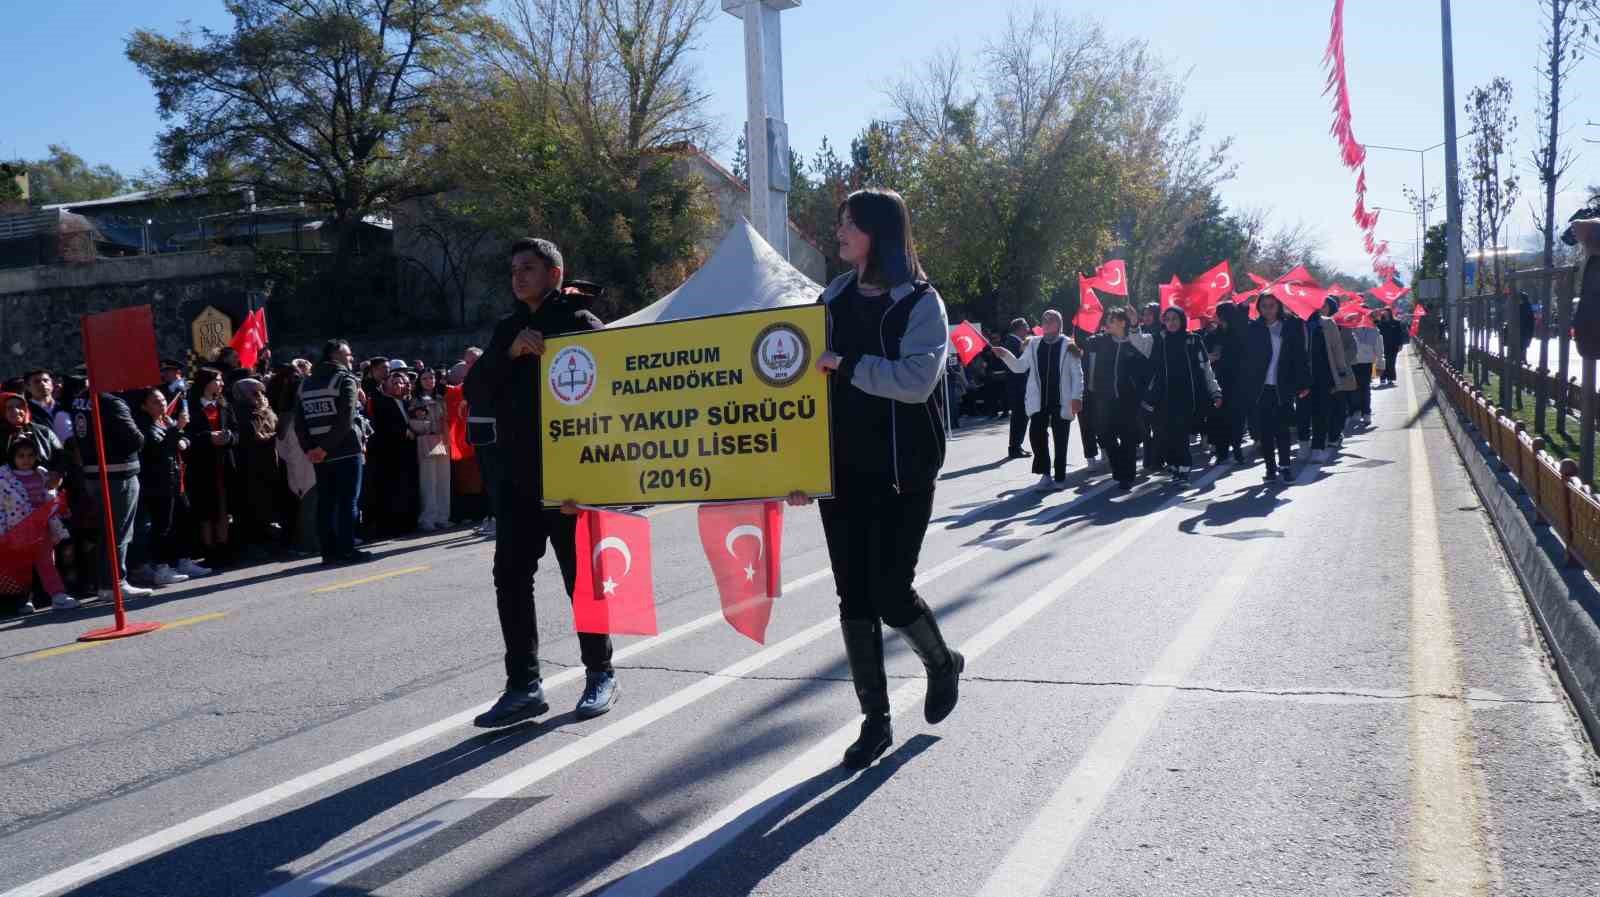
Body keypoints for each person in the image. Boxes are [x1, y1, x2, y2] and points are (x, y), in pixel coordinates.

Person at [790, 188, 964, 770]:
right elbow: (800, 388)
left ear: (879, 232)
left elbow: (917, 380)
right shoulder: (831, 298)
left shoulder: (920, 302)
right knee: (853, 599)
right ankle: (875, 721)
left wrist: (849, 365)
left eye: (849, 223)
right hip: (839, 473)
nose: (838, 231)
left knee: (891, 593)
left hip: (901, 473)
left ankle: (942, 663)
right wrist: (795, 466)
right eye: (840, 221)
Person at [466, 237, 618, 728]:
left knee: (581, 579)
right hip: (516, 477)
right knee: (510, 578)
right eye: (513, 269)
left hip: (570, 477)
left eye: (528, 268)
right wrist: (507, 354)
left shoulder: (580, 323)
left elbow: (614, 388)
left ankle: (600, 673)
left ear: (555, 273)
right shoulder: (507, 328)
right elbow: (475, 390)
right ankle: (523, 686)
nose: (518, 276)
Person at [71, 385, 154, 600]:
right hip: (117, 474)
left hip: (94, 473)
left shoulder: (80, 398)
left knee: (107, 532)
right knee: (118, 532)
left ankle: (106, 583)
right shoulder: (112, 402)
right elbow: (135, 439)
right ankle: (115, 582)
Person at [991, 309, 1085, 490]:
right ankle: (1045, 474)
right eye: (1044, 320)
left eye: (1051, 320)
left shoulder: (1068, 345)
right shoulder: (1033, 344)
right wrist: (1005, 355)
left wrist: (1076, 397)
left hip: (1061, 399)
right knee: (1036, 435)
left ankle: (1059, 476)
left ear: (1059, 324)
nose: (1047, 323)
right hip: (1039, 400)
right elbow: (1019, 367)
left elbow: (1077, 374)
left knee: (1061, 438)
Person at [297, 339, 370, 565]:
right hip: (345, 450)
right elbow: (346, 416)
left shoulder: (305, 383)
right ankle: (347, 549)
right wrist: (324, 448)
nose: (351, 359)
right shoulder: (345, 379)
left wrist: (311, 449)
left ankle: (328, 552)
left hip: (320, 455)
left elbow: (300, 422)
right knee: (348, 502)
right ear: (336, 355)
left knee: (326, 503)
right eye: (348, 355)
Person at [1143, 306, 1222, 481]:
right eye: (1168, 319)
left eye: (1175, 319)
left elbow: (1206, 368)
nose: (1171, 323)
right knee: (1166, 433)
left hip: (1187, 397)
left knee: (1181, 433)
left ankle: (1184, 469)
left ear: (1182, 320)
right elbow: (1137, 341)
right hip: (1163, 397)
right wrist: (1133, 325)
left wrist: (1215, 391)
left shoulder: (1193, 340)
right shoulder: (1158, 340)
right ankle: (1173, 465)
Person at [1240, 293, 1311, 483]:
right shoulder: (1253, 328)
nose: (1268, 309)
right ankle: (1270, 468)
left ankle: (1285, 467)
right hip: (1261, 387)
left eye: (1272, 305)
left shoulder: (1291, 325)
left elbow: (1300, 356)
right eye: (1264, 306)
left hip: (1283, 386)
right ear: (1259, 308)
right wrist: (1242, 309)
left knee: (1282, 428)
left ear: (1279, 306)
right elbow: (1244, 355)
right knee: (1265, 431)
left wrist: (1304, 382)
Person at [1, 438, 76, 611]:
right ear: (13, 457)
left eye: (30, 455)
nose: (26, 459)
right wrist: (3, 531)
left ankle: (57, 595)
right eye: (21, 456)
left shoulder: (42, 473)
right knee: (22, 567)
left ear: (37, 457)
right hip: (17, 529)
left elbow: (50, 495)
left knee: (46, 562)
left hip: (42, 527)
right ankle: (24, 600)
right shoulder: (3, 477)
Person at [1084, 308, 1152, 490]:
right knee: (1106, 437)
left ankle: (1126, 476)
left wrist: (1141, 394)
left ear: (1123, 322)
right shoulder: (1100, 342)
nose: (1108, 323)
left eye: (1112, 320)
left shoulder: (1133, 343)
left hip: (1128, 400)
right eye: (1108, 320)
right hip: (1105, 400)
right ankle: (1118, 467)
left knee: (1128, 438)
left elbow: (1145, 363)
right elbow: (1088, 346)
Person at [132, 388, 190, 586]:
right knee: (161, 525)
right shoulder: (145, 426)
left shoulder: (165, 420)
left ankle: (182, 560)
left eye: (163, 400)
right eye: (156, 402)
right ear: (144, 406)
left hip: (174, 477)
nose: (162, 404)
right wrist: (177, 431)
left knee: (180, 520)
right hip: (156, 482)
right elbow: (157, 449)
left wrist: (182, 439)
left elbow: (180, 440)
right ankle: (161, 567)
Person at [185, 368, 237, 569]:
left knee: (223, 509)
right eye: (218, 380)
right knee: (205, 511)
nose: (221, 384)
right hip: (201, 466)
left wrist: (228, 437)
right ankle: (209, 551)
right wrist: (208, 438)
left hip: (223, 464)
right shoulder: (191, 407)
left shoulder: (224, 405)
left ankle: (224, 549)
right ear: (205, 383)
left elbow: (236, 430)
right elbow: (186, 435)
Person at [267, 364, 319, 557]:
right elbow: (283, 445)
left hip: (300, 463)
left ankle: (312, 541)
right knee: (308, 503)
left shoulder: (285, 415)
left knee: (310, 502)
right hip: (303, 462)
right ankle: (307, 544)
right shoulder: (291, 416)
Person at [367, 366, 420, 538]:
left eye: (403, 382)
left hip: (408, 451)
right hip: (390, 453)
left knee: (407, 488)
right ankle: (391, 526)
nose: (399, 385)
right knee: (392, 491)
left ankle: (408, 523)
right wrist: (404, 432)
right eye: (395, 382)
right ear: (386, 385)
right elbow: (384, 425)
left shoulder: (407, 402)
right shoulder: (382, 402)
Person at [231, 378, 281, 557]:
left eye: (261, 392)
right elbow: (255, 435)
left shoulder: (265, 410)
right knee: (254, 506)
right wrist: (275, 432)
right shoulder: (241, 412)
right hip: (251, 466)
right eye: (255, 393)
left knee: (268, 504)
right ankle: (255, 544)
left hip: (270, 464)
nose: (260, 396)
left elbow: (275, 426)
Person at [1306, 297, 1357, 462]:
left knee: (1323, 410)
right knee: (1305, 412)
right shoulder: (1296, 322)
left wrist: (1341, 371)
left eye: (1324, 305)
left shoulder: (1328, 323)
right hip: (1302, 375)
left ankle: (1318, 446)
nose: (1321, 307)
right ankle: (1304, 442)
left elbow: (1337, 350)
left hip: (1325, 374)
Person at [1206, 303, 1247, 465]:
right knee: (1219, 417)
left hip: (1237, 381)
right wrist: (1211, 357)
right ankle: (1222, 452)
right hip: (1218, 382)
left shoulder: (1240, 334)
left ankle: (1237, 448)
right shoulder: (1212, 336)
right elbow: (1203, 355)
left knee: (1236, 417)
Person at [410, 368, 450, 531]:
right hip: (426, 440)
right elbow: (413, 421)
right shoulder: (415, 400)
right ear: (420, 381)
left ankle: (443, 516)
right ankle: (428, 518)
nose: (429, 381)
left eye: (431, 377)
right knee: (428, 481)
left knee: (443, 479)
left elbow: (446, 419)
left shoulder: (440, 398)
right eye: (425, 378)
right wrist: (428, 427)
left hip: (442, 440)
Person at [1, 392, 64, 470]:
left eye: (19, 406)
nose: (16, 411)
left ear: (26, 409)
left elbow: (61, 456)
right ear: (4, 411)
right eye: (10, 407)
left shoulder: (44, 431)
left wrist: (57, 474)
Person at [1000, 318, 1031, 459]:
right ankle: (1015, 448)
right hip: (1019, 387)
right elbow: (1020, 365)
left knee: (1019, 418)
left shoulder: (1012, 341)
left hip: (1017, 386)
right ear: (1019, 328)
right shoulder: (1014, 343)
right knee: (1020, 418)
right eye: (1026, 327)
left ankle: (1016, 446)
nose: (1028, 330)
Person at [1349, 317, 1383, 428]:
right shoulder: (1350, 328)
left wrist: (1379, 360)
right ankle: (1359, 411)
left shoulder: (1373, 330)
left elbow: (1378, 347)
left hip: (1366, 362)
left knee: (1363, 387)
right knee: (1357, 388)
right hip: (1353, 362)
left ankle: (1365, 412)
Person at [1376, 307, 1408, 386]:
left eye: (1387, 311)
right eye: (1384, 311)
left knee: (1391, 362)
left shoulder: (1396, 322)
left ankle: (1390, 378)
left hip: (1394, 346)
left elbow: (1400, 334)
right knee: (1383, 362)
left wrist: (1400, 344)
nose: (1385, 313)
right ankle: (1382, 378)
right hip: (1382, 346)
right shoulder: (1380, 323)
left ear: (1390, 312)